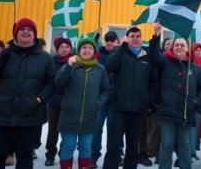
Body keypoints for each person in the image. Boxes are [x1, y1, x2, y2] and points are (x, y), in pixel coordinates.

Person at [0, 17, 56, 169]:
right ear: (15, 33)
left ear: (35, 35)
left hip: (29, 114)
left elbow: (51, 82)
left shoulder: (45, 57)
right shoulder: (5, 55)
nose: (26, 32)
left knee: (24, 155)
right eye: (22, 29)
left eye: (30, 30)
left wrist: (39, 100)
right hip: (2, 113)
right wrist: (1, 56)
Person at [149, 22, 201, 169]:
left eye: (182, 45)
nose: (179, 47)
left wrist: (196, 101)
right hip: (167, 112)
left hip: (187, 112)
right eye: (177, 45)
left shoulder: (195, 68)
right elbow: (153, 55)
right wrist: (156, 36)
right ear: (172, 48)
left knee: (185, 145)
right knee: (167, 145)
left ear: (188, 49)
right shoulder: (164, 62)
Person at [103, 26, 158, 169]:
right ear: (127, 38)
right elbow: (110, 66)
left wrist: (148, 100)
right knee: (113, 146)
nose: (135, 39)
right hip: (118, 108)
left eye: (138, 36)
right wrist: (122, 47)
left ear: (141, 39)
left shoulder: (146, 57)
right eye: (132, 36)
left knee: (133, 147)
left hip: (139, 109)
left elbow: (153, 81)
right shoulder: (119, 52)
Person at [55, 38, 110, 169]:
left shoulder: (100, 69)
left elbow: (106, 90)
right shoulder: (71, 66)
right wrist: (67, 66)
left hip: (90, 116)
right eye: (83, 48)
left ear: (94, 52)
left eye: (89, 48)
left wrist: (98, 104)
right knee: (68, 146)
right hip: (69, 115)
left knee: (86, 146)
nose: (86, 50)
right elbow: (58, 83)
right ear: (78, 51)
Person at [90, 31, 120, 168]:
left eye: (112, 40)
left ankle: (117, 155)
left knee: (115, 129)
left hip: (116, 99)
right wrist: (96, 37)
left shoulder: (121, 53)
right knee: (97, 128)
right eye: (107, 40)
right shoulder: (98, 53)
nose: (109, 42)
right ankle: (93, 156)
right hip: (101, 98)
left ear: (117, 42)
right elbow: (88, 50)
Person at [44, 37, 74, 166]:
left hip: (70, 101)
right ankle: (50, 155)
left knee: (67, 130)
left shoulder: (75, 61)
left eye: (67, 47)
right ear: (57, 49)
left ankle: (64, 154)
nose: (64, 49)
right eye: (62, 47)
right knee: (53, 131)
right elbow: (50, 80)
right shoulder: (51, 61)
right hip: (54, 101)